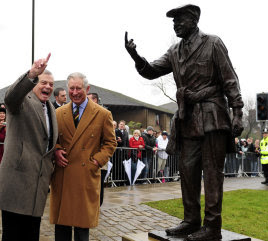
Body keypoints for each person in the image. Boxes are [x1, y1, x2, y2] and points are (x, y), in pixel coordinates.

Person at [125, 4, 244, 240]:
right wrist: (135, 55)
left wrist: (237, 111)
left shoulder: (213, 43)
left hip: (213, 116)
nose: (175, 24)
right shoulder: (174, 51)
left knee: (212, 174)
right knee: (187, 172)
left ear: (194, 20)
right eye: (173, 21)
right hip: (187, 120)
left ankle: (212, 227)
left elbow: (230, 78)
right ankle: (190, 220)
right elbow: (151, 71)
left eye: (180, 20)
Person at [49, 72, 117, 241]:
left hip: (86, 175)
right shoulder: (59, 113)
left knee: (81, 229)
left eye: (79, 88)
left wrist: (97, 161)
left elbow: (110, 143)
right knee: (62, 228)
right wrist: (56, 150)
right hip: (63, 174)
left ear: (87, 88)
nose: (75, 92)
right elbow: (52, 139)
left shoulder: (102, 114)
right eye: (71, 88)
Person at [0, 54, 58, 241]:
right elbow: (10, 97)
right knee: (13, 235)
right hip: (17, 184)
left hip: (38, 187)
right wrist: (32, 73)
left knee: (32, 235)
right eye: (43, 82)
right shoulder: (22, 102)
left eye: (51, 84)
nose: (48, 87)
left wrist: (55, 150)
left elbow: (46, 141)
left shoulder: (51, 109)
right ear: (34, 84)